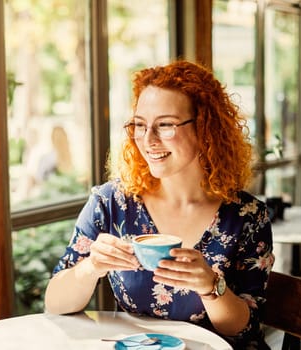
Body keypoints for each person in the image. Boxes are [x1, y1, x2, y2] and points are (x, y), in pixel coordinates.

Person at [44, 60, 274, 349]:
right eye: (140, 125)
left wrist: (211, 288)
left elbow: (246, 330)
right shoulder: (111, 203)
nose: (148, 140)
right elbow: (55, 303)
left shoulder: (247, 216)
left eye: (165, 125)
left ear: (205, 128)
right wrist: (90, 267)